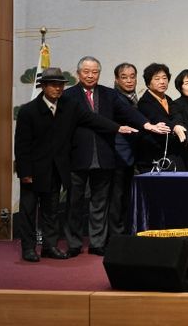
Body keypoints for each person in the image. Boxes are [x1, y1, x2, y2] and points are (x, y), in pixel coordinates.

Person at [14, 67, 138, 262]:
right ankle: (28, 248)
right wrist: (25, 172)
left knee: (51, 210)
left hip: (56, 169)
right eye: (53, 85)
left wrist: (117, 127)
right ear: (43, 86)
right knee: (28, 210)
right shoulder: (28, 110)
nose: (58, 88)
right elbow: (21, 146)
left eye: (60, 85)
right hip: (34, 169)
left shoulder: (69, 106)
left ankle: (49, 246)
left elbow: (92, 118)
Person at [63, 57, 169, 257]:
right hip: (77, 155)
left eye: (95, 72)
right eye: (86, 71)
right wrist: (117, 127)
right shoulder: (68, 96)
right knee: (74, 203)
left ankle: (97, 243)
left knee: (100, 202)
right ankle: (74, 244)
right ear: (78, 74)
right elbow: (81, 120)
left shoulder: (109, 94)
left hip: (104, 155)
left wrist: (148, 125)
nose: (90, 75)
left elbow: (128, 112)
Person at [108, 62, 141, 238]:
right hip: (118, 156)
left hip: (133, 156)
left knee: (128, 197)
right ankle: (116, 237)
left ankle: (127, 233)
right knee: (117, 198)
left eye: (132, 76)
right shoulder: (114, 98)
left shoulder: (135, 98)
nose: (129, 80)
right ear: (116, 79)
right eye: (124, 77)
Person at [136, 63, 183, 171]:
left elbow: (177, 116)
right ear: (148, 83)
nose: (162, 82)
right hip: (154, 154)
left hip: (171, 152)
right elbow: (159, 119)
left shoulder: (168, 99)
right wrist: (175, 127)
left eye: (164, 78)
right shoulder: (144, 102)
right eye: (157, 79)